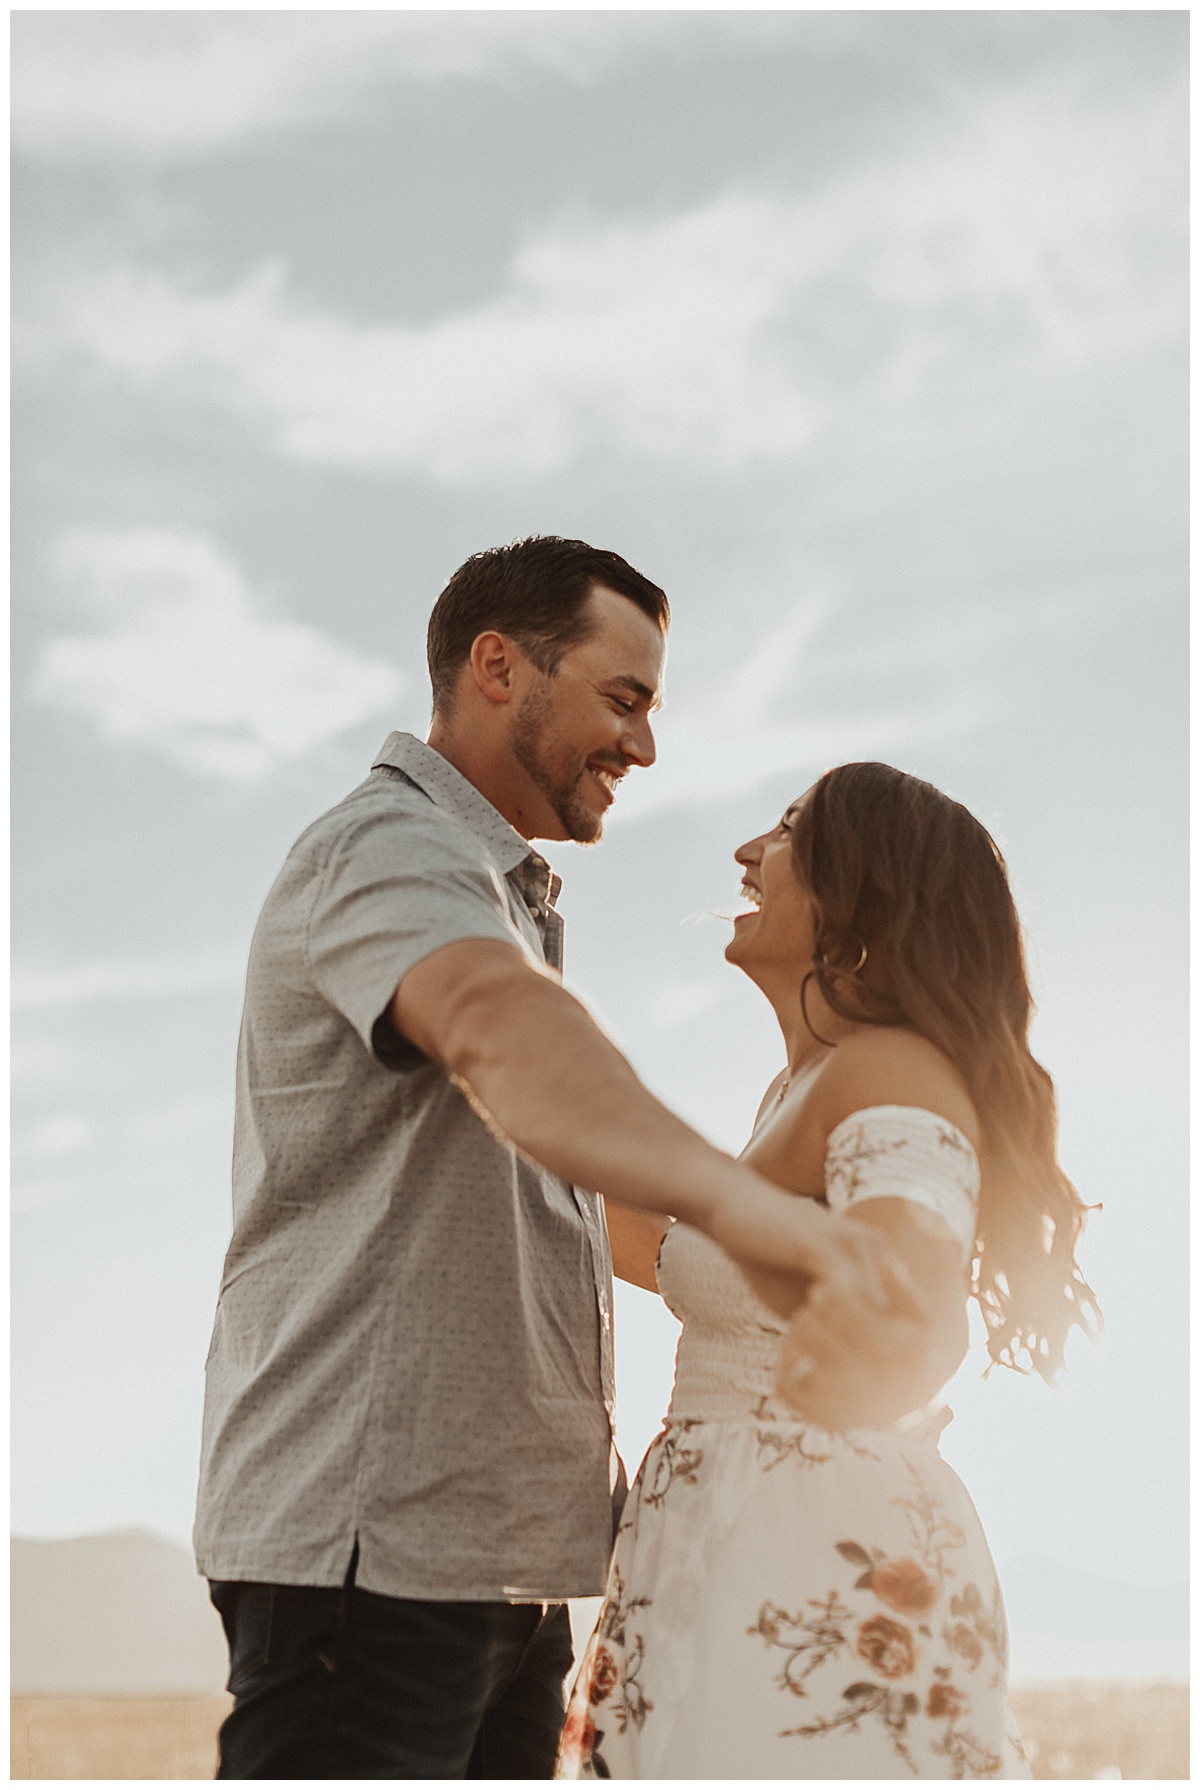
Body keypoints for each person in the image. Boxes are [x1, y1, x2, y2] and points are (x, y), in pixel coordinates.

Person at [193, 541, 966, 1779]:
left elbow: (568, 1206)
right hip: (376, 1561)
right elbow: (500, 1027)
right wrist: (760, 1217)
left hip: (514, 1569)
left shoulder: (503, 891)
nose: (647, 747)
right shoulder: (389, 849)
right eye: (625, 698)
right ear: (500, 668)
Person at [559, 762, 1100, 1780]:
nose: (747, 851)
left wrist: (865, 1360)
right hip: (714, 1541)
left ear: (864, 890)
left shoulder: (887, 1069)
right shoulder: (790, 1090)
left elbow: (911, 1301)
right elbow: (667, 1248)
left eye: (790, 828)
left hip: (808, 1553)